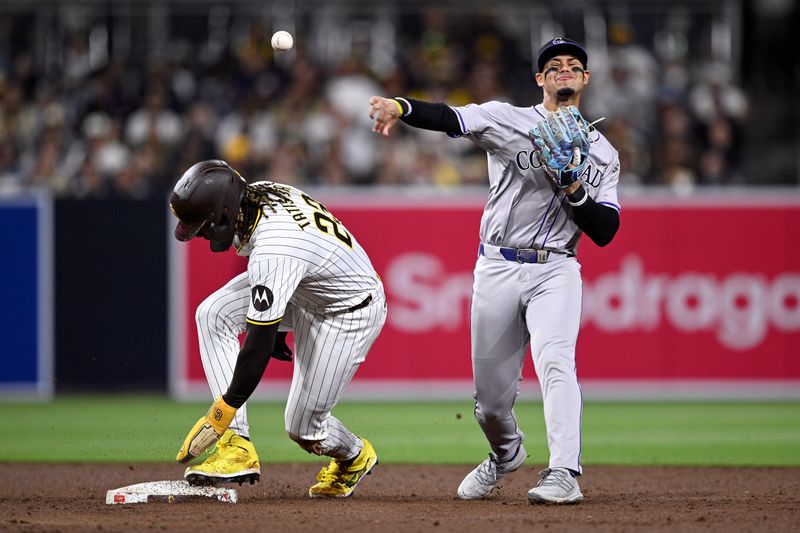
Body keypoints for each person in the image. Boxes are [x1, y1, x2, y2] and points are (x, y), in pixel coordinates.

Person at [368, 37, 620, 504]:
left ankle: (564, 472)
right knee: (489, 405)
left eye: (573, 66)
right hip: (497, 266)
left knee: (555, 361)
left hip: (556, 269)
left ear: (585, 79)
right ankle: (506, 454)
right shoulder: (509, 119)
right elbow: (449, 118)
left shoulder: (603, 153)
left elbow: (605, 230)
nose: (564, 70)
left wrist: (574, 189)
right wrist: (400, 106)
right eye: (554, 66)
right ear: (539, 78)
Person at [170, 159, 387, 498]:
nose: (201, 234)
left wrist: (221, 412)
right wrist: (277, 322)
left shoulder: (275, 246)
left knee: (304, 429)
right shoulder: (260, 196)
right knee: (214, 314)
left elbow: (256, 349)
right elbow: (304, 258)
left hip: (347, 312)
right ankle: (235, 447)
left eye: (203, 225)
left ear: (224, 212)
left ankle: (354, 456)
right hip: (309, 289)